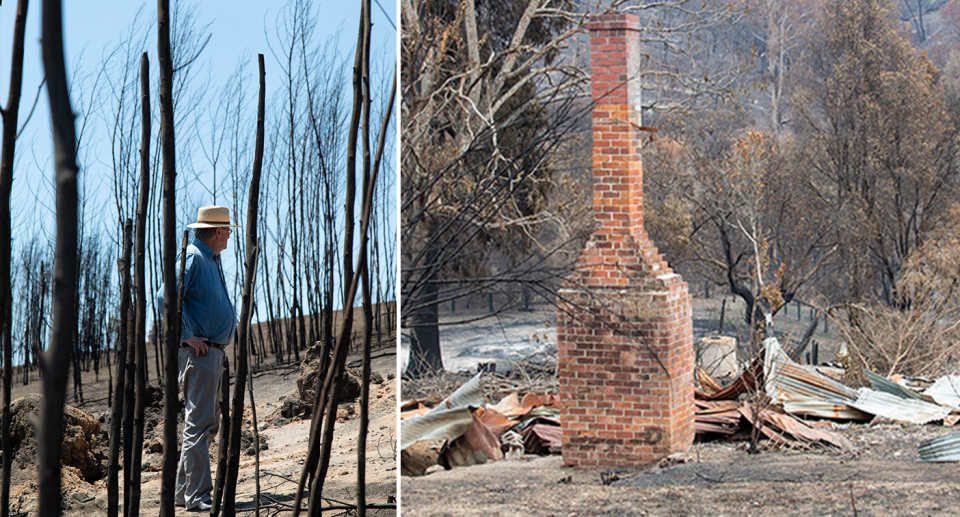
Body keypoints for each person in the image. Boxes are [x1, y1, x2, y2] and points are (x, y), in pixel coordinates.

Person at [157, 205, 240, 512]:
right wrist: (185, 335)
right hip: (199, 353)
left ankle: (183, 493)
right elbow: (165, 296)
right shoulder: (194, 256)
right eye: (228, 230)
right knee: (200, 424)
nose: (230, 236)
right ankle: (198, 496)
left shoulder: (210, 259)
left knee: (204, 424)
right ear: (218, 231)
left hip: (211, 354)